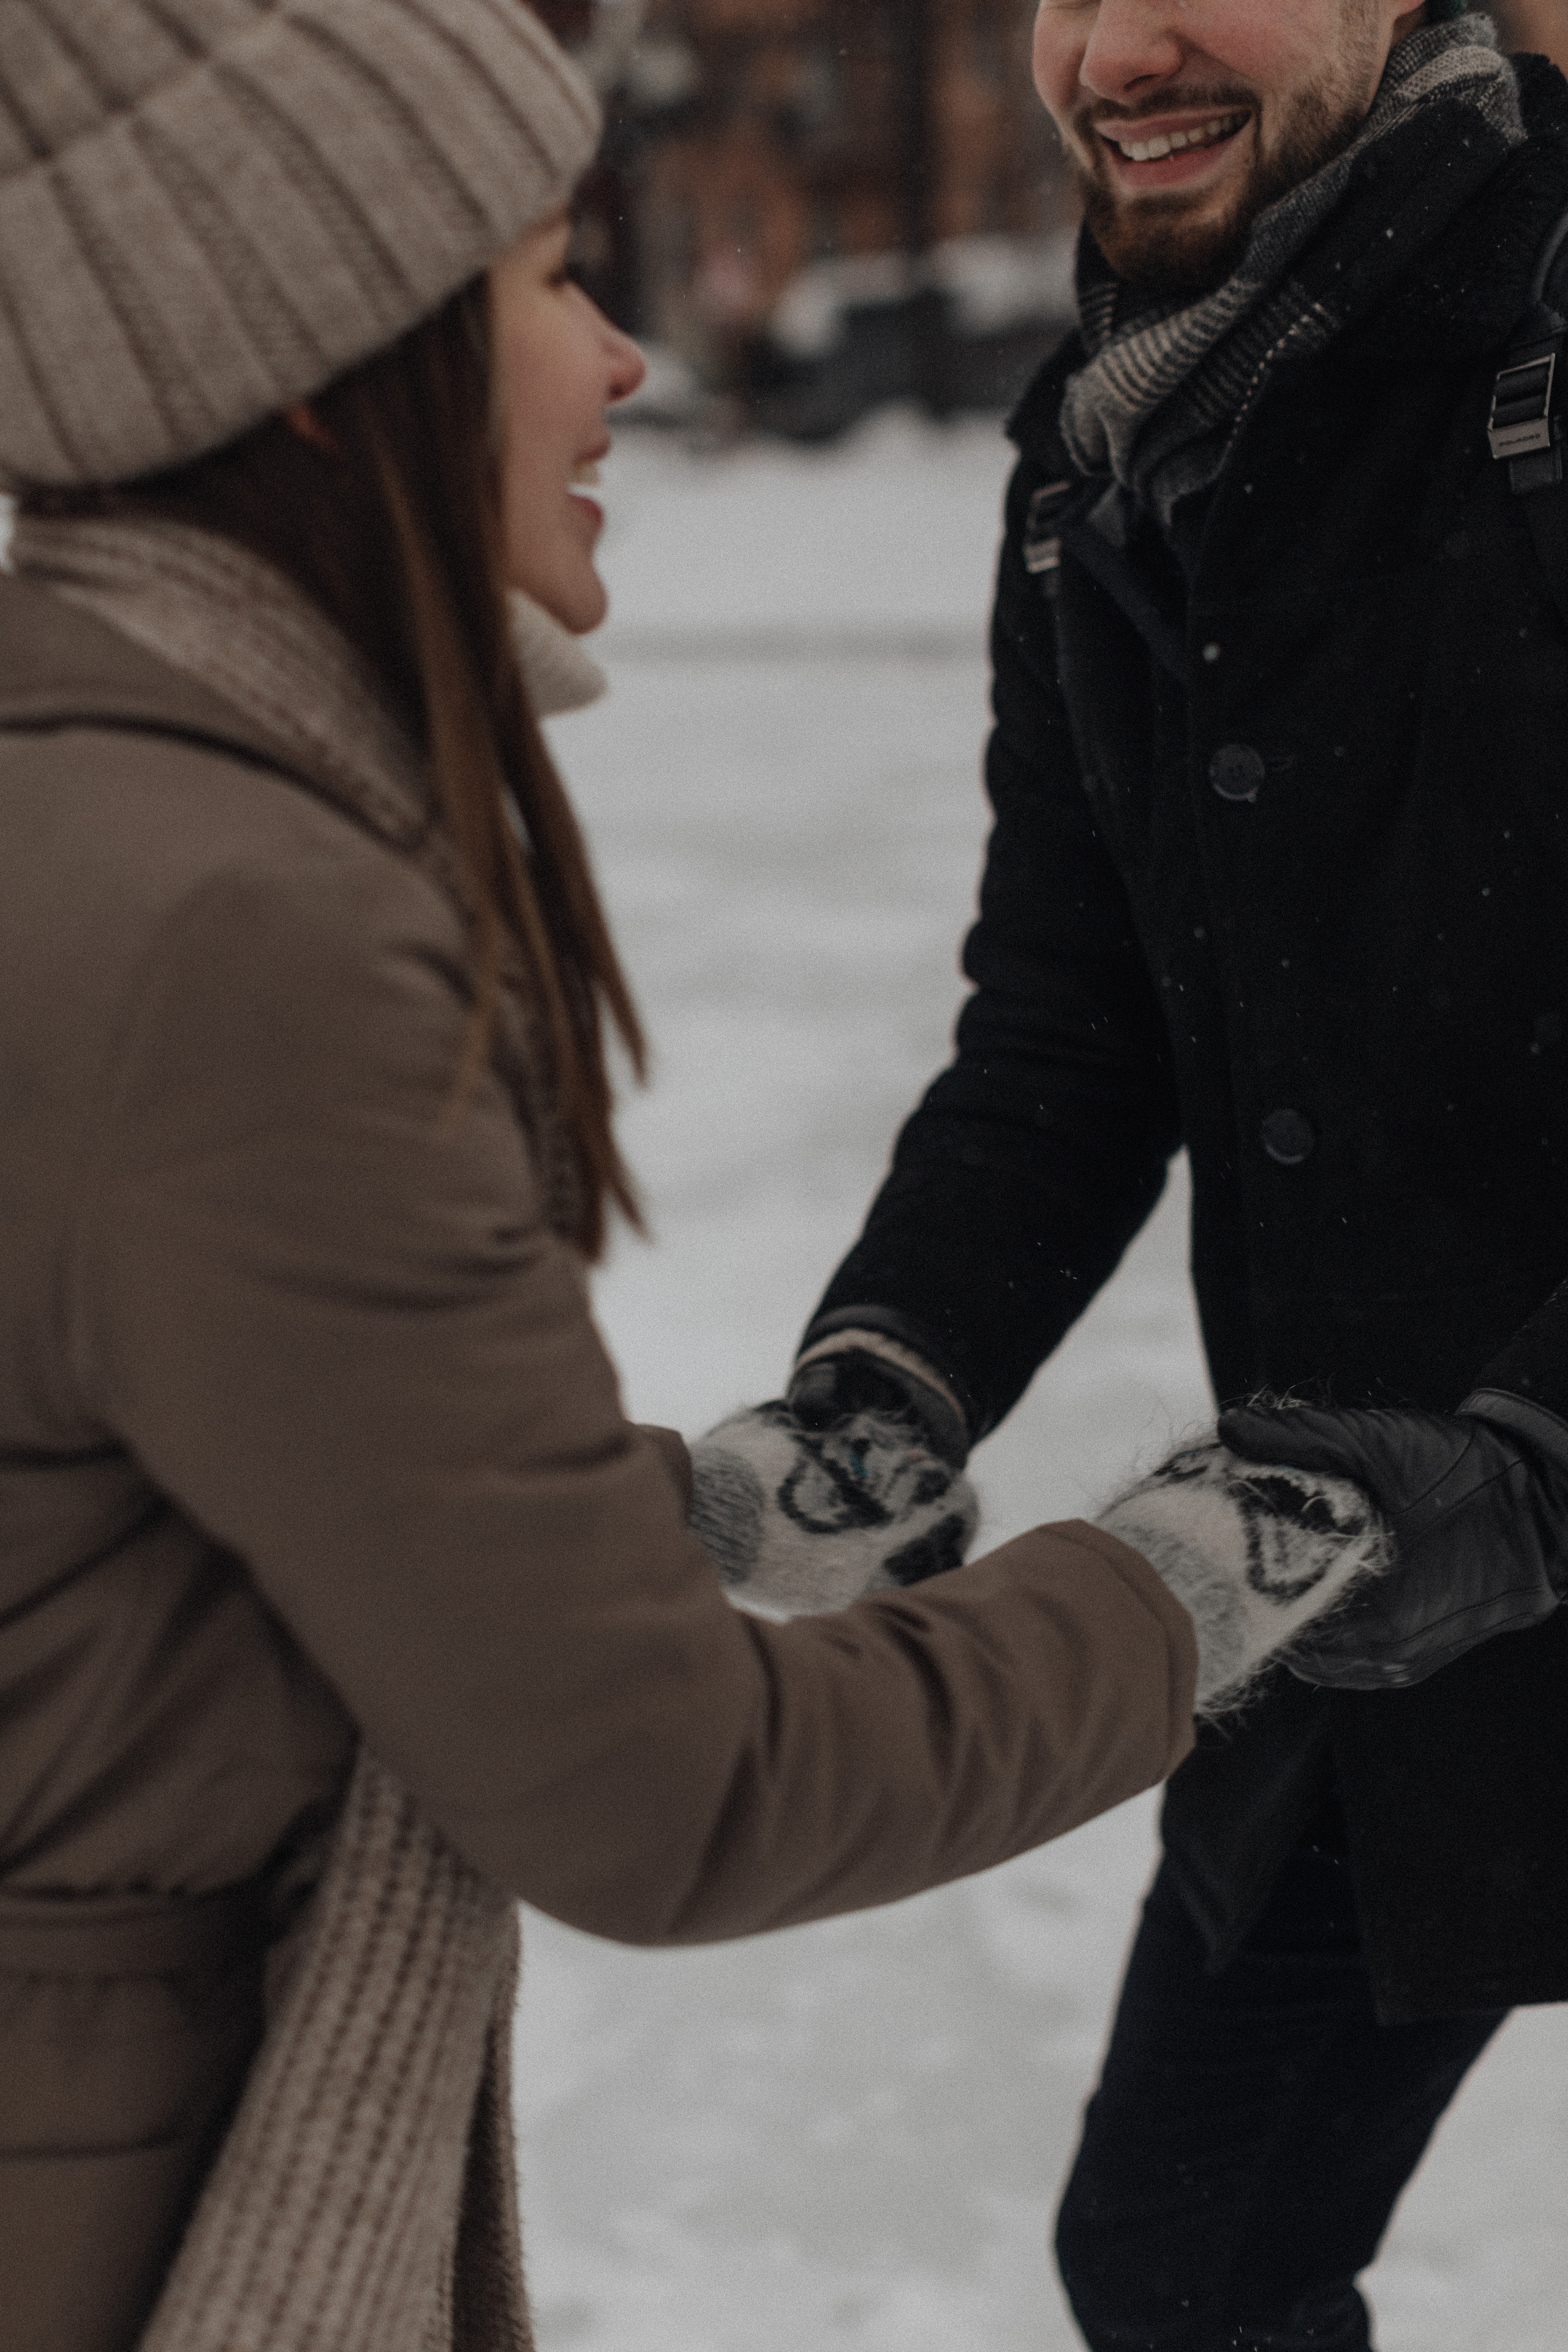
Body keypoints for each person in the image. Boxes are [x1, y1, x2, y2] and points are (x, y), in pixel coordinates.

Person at [0, 7, 1429, 2351]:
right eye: (547, 282)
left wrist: (649, 1520)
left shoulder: (101, 808)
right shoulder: (230, 924)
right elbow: (667, 1786)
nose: (625, 359)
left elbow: (160, 1502)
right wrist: (1200, 1578)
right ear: (310, 365)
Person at [701, 4, 1568, 2348]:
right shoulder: (1111, 449)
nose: (1116, 46)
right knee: (1187, 2263)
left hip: (1496, 1487)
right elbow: (1070, 1029)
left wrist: (1531, 1468)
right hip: (1370, 1554)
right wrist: (897, 1370)